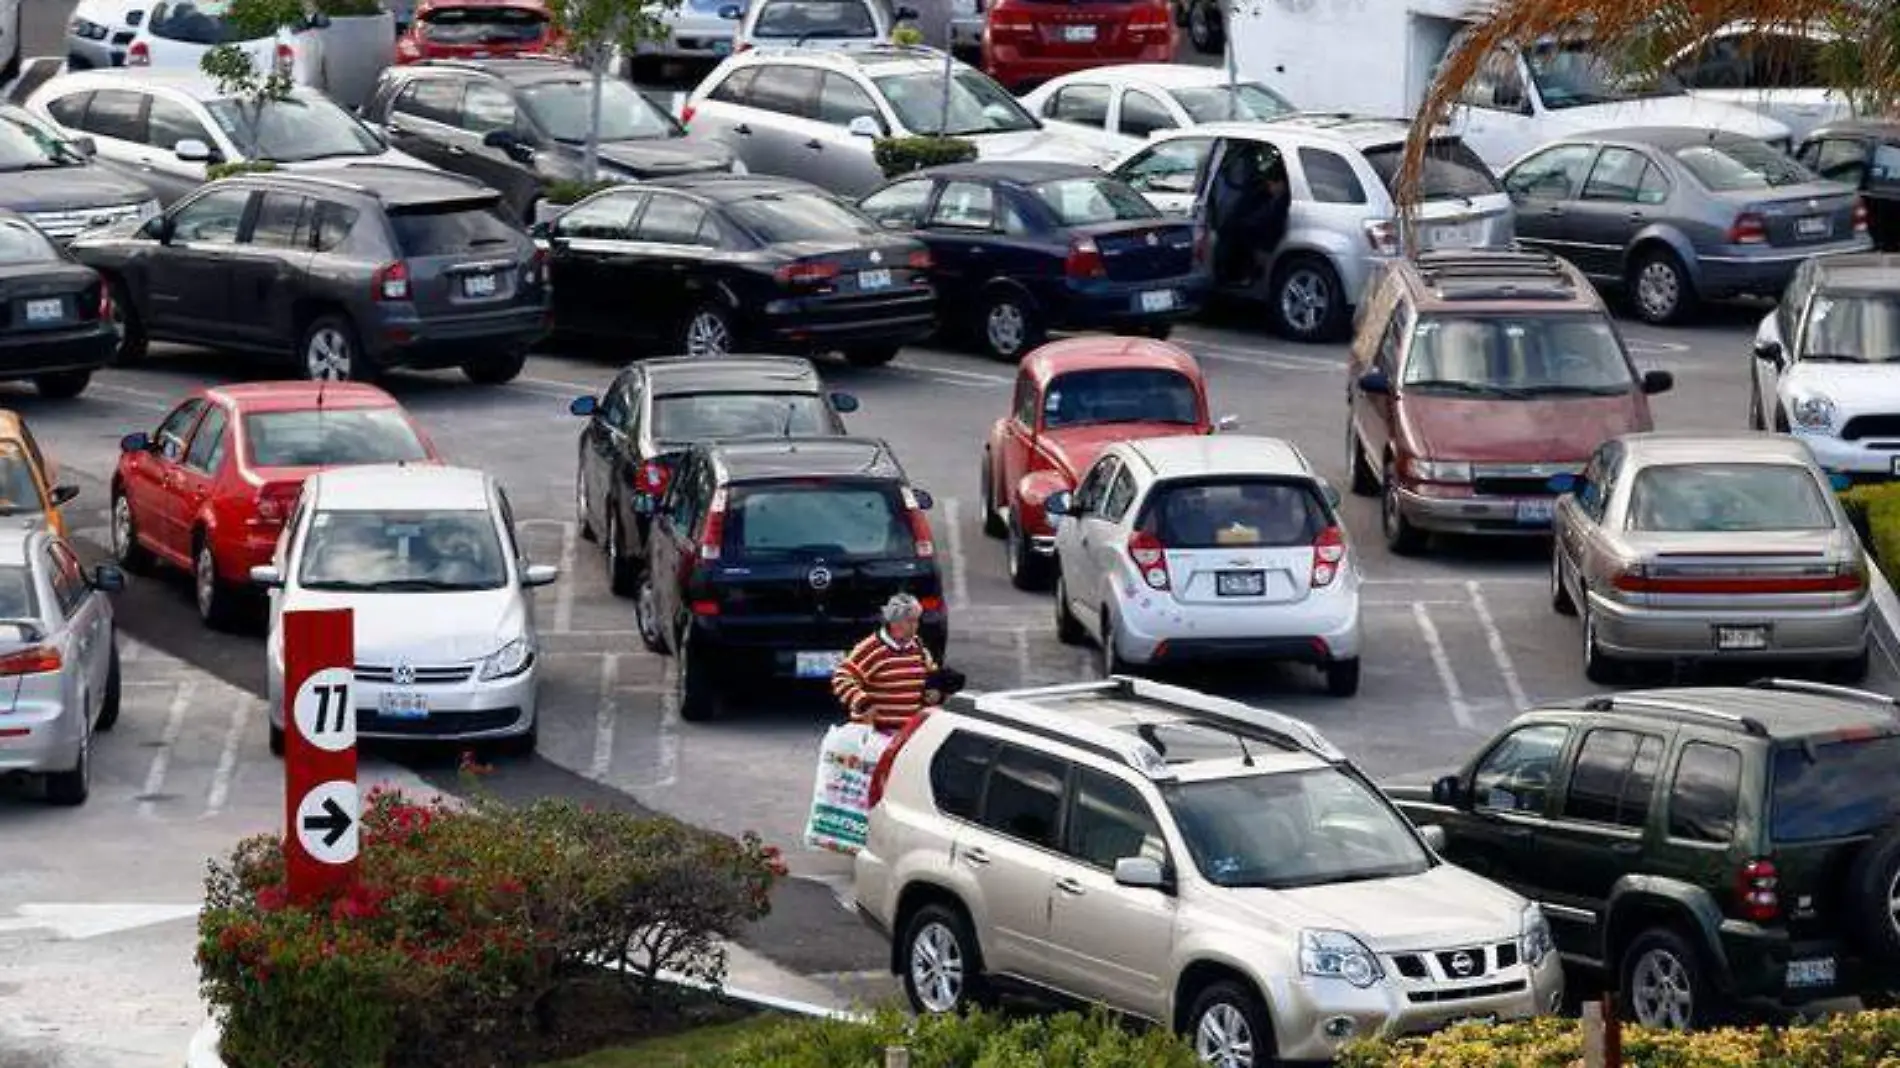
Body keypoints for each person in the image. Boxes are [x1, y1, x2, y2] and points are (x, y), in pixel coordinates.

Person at [831, 593, 940, 733]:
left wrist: (936, 690)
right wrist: (863, 703)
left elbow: (932, 674)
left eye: (917, 621)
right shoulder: (871, 648)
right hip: (877, 733)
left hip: (909, 733)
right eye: (910, 621)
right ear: (894, 622)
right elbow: (841, 677)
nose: (915, 626)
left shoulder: (918, 647)